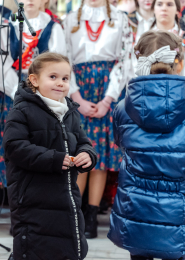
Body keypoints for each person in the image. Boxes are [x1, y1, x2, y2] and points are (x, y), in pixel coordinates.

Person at [4, 52, 97, 260]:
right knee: (35, 246)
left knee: (67, 245)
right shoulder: (22, 110)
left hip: (65, 196)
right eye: (53, 77)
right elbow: (14, 146)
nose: (60, 83)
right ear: (34, 80)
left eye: (65, 78)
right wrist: (53, 159)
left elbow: (83, 141)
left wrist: (87, 155)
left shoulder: (70, 111)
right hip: (32, 197)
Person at [108, 30, 185, 260]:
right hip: (178, 213)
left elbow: (120, 142)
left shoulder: (122, 107)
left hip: (136, 209)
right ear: (178, 63)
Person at [64, 0, 133, 238]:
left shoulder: (120, 18)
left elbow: (125, 59)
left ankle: (92, 215)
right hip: (79, 86)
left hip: (108, 87)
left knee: (100, 154)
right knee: (78, 153)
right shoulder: (71, 19)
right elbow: (64, 59)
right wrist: (76, 97)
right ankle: (77, 214)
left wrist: (108, 99)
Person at [0, 0, 67, 187]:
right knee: (16, 141)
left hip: (45, 96)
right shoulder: (8, 26)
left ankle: (41, 187)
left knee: (42, 141)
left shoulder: (53, 27)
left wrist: (41, 93)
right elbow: (2, 67)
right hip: (14, 92)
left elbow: (59, 67)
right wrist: (19, 93)